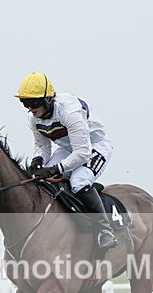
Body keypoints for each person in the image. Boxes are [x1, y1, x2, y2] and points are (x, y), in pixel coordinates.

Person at [14, 72, 118, 250]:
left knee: (78, 181)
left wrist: (56, 169)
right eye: (25, 103)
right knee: (41, 179)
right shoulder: (33, 119)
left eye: (33, 103)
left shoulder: (70, 113)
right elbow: (42, 146)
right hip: (69, 148)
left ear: (47, 99)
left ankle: (105, 230)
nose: (30, 108)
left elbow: (82, 153)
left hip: (93, 147)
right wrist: (37, 161)